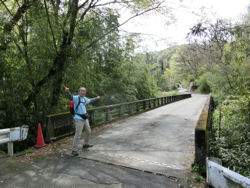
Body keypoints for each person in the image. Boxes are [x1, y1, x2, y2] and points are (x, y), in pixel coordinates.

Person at [64, 86, 100, 156]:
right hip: (78, 118)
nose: (83, 92)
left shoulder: (84, 99)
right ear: (79, 92)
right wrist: (67, 92)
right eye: (81, 91)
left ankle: (85, 144)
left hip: (85, 117)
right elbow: (70, 97)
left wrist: (97, 98)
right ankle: (74, 150)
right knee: (78, 134)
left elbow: (91, 100)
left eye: (84, 91)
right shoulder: (76, 98)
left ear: (85, 92)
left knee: (88, 131)